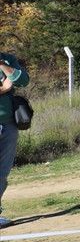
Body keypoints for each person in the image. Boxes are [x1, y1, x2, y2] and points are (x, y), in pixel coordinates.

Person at [0, 51, 29, 229]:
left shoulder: (8, 59)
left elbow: (22, 80)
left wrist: (2, 65)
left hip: (9, 124)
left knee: (2, 173)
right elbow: (8, 86)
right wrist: (4, 88)